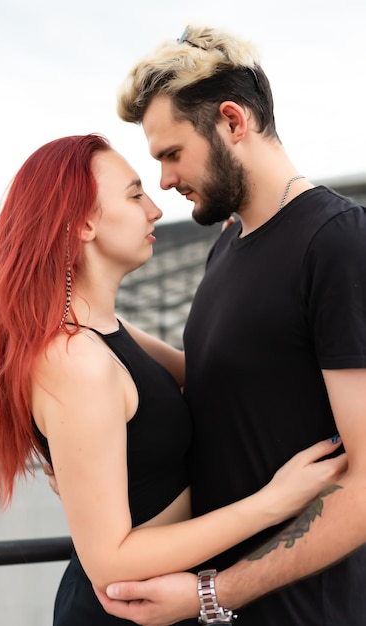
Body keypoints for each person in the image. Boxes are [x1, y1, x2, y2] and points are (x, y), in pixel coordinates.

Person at [0, 133, 345, 625]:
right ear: (83, 223)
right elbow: (111, 559)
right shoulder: (75, 361)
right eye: (133, 194)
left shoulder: (104, 328)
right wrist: (271, 504)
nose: (154, 209)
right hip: (126, 613)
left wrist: (253, 265)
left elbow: (211, 378)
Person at [86, 24, 366, 626]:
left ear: (233, 122)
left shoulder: (337, 243)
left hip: (297, 609)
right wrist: (90, 324)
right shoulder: (231, 240)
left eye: (171, 153)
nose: (163, 180)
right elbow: (226, 383)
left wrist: (213, 594)